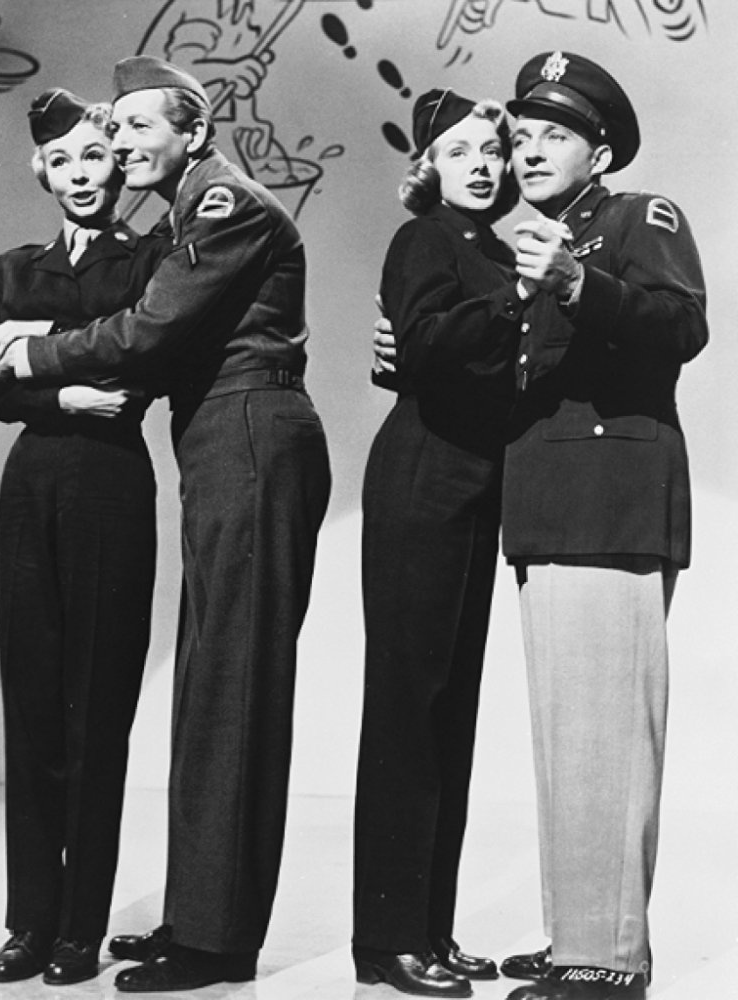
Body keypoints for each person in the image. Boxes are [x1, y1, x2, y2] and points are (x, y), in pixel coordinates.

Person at [0, 54, 331, 994]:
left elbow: (148, 333)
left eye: (132, 128)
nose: (116, 148)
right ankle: (198, 921)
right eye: (108, 131)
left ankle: (215, 942)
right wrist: (16, 350)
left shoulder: (223, 205)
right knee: (213, 685)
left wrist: (22, 349)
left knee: (232, 685)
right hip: (221, 436)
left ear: (192, 132)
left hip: (248, 432)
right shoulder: (182, 215)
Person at [373, 51, 708, 1000]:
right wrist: (403, 356)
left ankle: (604, 962)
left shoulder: (637, 218)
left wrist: (574, 282)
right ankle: (580, 938)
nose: (528, 151)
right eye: (522, 135)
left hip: (607, 497)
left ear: (600, 154)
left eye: (556, 135)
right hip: (546, 504)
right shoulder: (523, 245)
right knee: (570, 738)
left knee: (606, 738)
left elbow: (682, 325)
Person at [0, 89, 167, 986]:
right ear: (42, 173)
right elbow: (3, 394)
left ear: (118, 165)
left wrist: (29, 347)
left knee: (99, 708)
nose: (81, 175)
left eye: (94, 157)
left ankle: (80, 926)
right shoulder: (14, 270)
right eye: (62, 162)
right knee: (33, 707)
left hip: (111, 489)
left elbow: (137, 364)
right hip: (31, 488)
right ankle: (30, 920)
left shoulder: (151, 261)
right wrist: (62, 386)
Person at [353, 89, 525, 999]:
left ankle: (431, 929)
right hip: (422, 475)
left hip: (473, 482)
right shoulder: (423, 239)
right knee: (407, 710)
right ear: (428, 167)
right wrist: (517, 303)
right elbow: (418, 346)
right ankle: (386, 941)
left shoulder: (493, 249)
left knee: (450, 712)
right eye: (461, 152)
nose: (483, 165)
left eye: (492, 150)